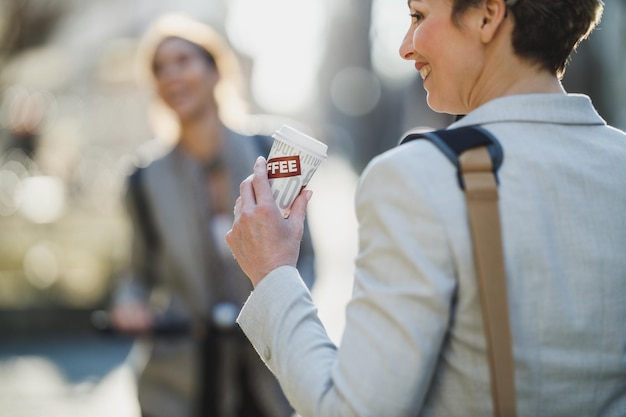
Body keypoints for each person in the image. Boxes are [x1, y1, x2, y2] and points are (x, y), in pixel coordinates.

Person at [226, 0, 626, 416]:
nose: (405, 47)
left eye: (418, 16)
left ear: (487, 16)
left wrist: (272, 272)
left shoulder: (420, 175)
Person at [109, 13, 315, 417]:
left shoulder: (270, 153)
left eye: (182, 60)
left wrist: (277, 315)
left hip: (269, 377)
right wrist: (128, 303)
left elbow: (306, 259)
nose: (170, 75)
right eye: (158, 68)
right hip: (180, 384)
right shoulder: (143, 180)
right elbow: (137, 275)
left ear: (215, 69)